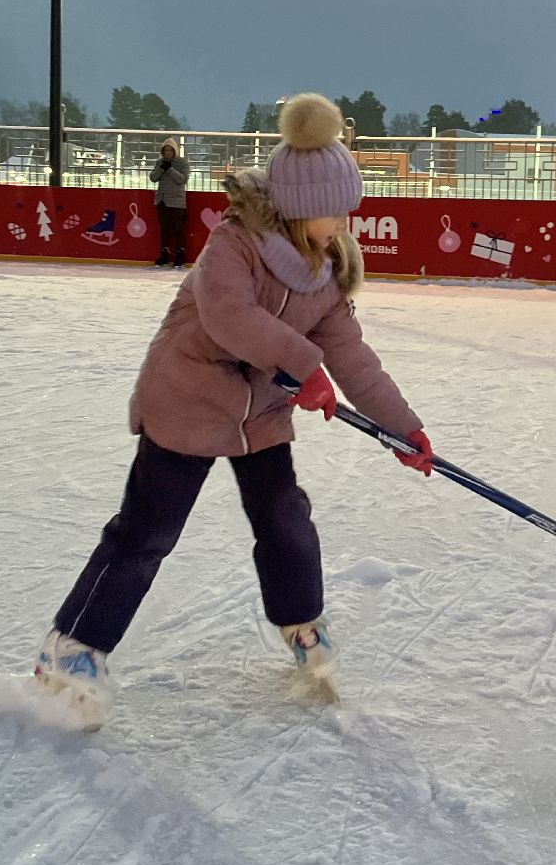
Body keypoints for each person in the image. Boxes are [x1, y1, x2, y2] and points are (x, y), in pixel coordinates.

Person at [32, 94, 432, 727]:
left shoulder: (327, 271)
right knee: (148, 532)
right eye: (335, 211)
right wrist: (304, 366)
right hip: (188, 395)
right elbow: (227, 317)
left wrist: (401, 428)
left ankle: (301, 624)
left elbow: (353, 356)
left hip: (260, 415)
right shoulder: (234, 245)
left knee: (285, 519)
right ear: (302, 207)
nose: (344, 224)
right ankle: (73, 648)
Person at [150, 137, 190, 268]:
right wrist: (162, 168)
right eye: (166, 150)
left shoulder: (182, 163)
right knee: (164, 229)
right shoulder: (159, 162)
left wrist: (170, 170)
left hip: (177, 201)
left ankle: (180, 255)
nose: (168, 153)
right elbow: (153, 178)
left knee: (178, 229)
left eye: (170, 150)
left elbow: (183, 179)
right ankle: (164, 254)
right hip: (163, 201)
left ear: (175, 151)